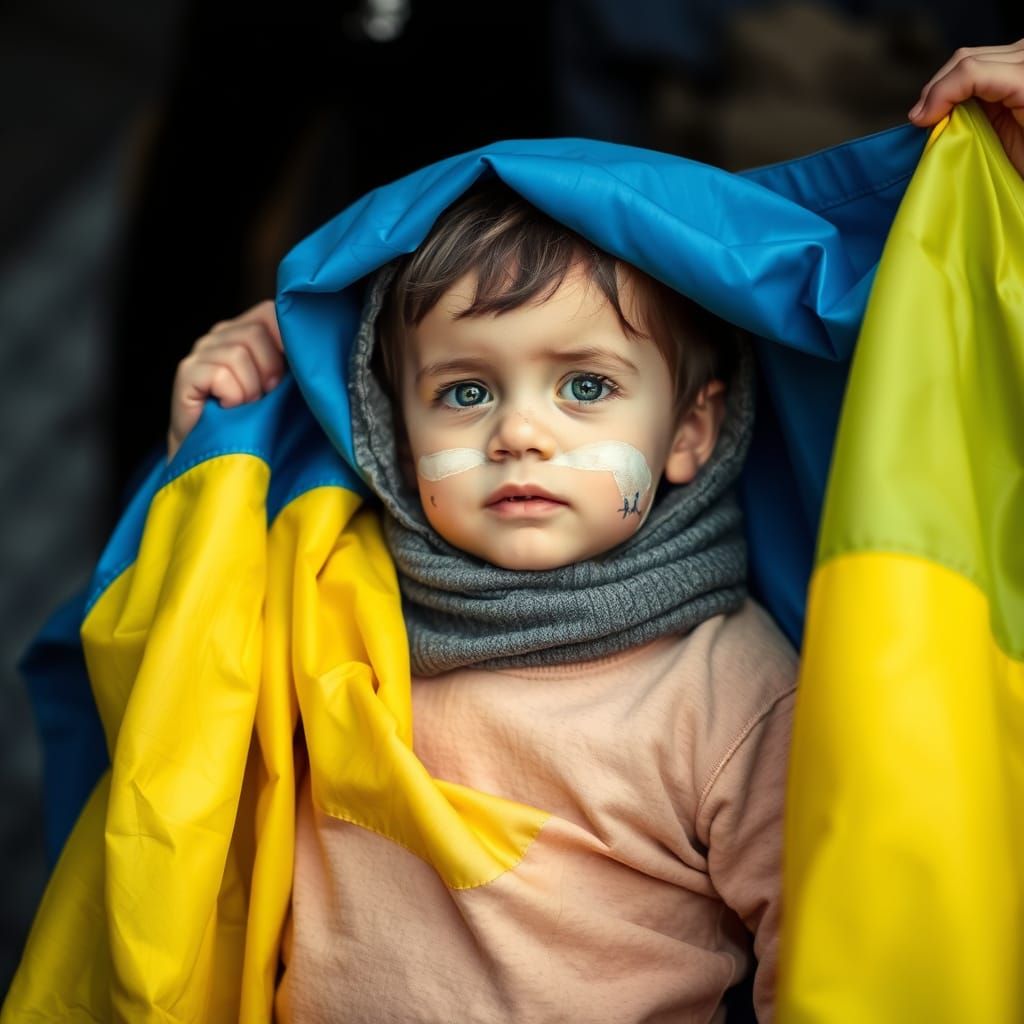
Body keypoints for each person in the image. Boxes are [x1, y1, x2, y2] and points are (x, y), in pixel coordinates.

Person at [157, 40, 1024, 1024]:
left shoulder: (732, 694)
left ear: (689, 430)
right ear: (389, 431)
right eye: (466, 390)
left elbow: (831, 960)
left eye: (584, 386)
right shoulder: (332, 606)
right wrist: (210, 463)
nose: (519, 431)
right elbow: (187, 699)